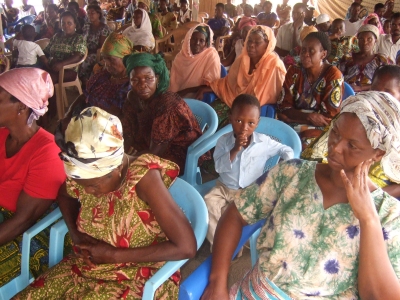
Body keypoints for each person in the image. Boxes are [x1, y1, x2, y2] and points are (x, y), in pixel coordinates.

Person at [202, 91, 400, 299]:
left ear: (378, 154)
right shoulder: (292, 174)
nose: (335, 148)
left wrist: (368, 220)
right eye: (335, 133)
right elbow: (235, 213)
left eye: (352, 145)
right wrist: (217, 282)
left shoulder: (387, 214)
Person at [15, 106, 196, 299]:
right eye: (81, 185)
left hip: (140, 273)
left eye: (93, 186)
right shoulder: (86, 174)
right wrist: (77, 236)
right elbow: (65, 194)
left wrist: (114, 256)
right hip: (89, 266)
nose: (86, 192)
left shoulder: (144, 179)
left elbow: (186, 247)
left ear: (116, 168)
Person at [0, 68, 66, 287]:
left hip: (28, 234)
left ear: (21, 106)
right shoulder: (2, 135)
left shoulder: (46, 153)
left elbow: (23, 220)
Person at [204, 94, 294, 248]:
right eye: (239, 121)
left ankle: (237, 244)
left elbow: (286, 150)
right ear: (230, 117)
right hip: (224, 188)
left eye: (251, 123)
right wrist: (235, 149)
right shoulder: (223, 141)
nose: (244, 127)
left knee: (252, 217)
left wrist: (283, 166)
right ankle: (221, 247)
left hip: (250, 192)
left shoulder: (263, 142)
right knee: (208, 203)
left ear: (257, 123)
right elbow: (219, 167)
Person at [302, 65, 400, 198]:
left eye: (387, 92)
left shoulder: (395, 132)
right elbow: (315, 156)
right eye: (374, 89)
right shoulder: (353, 115)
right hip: (334, 179)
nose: (377, 96)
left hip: (370, 192)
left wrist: (372, 197)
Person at [122, 53, 204, 174]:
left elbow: (155, 152)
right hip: (149, 143)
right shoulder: (133, 98)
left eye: (148, 78)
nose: (142, 85)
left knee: (134, 173)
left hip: (178, 152)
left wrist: (125, 161)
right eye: (135, 80)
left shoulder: (168, 104)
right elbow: (127, 132)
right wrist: (119, 153)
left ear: (157, 79)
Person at [195, 26, 286, 127]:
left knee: (224, 129)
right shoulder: (242, 60)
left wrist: (242, 108)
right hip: (231, 101)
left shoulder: (274, 66)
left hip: (251, 111)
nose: (251, 45)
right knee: (204, 120)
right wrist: (207, 88)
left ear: (267, 45)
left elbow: (271, 97)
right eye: (249, 41)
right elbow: (228, 84)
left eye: (257, 42)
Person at [277, 32, 343, 148]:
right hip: (293, 123)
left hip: (321, 129)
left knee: (305, 143)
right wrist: (308, 117)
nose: (305, 54)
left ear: (323, 54)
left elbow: (328, 117)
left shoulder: (333, 75)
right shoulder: (294, 71)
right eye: (303, 50)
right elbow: (284, 108)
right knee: (274, 141)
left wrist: (293, 115)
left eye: (311, 51)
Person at [68, 32, 133, 120]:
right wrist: (67, 115)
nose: (107, 64)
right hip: (84, 120)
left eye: (111, 59)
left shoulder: (131, 85)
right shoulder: (102, 75)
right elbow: (84, 96)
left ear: (125, 59)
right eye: (104, 59)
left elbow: (117, 117)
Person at [169, 24, 221, 98]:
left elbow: (212, 85)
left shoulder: (211, 56)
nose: (197, 43)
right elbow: (173, 83)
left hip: (196, 94)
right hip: (177, 95)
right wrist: (175, 95)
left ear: (206, 43)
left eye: (201, 40)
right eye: (194, 39)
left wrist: (184, 92)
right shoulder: (181, 56)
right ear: (189, 39)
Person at [340, 25, 389, 92]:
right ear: (357, 40)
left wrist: (361, 88)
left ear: (376, 40)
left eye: (369, 39)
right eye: (361, 39)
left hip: (370, 97)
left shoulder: (380, 60)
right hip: (347, 94)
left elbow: (385, 83)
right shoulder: (347, 58)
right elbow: (339, 79)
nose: (365, 43)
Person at [43, 11, 87, 85]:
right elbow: (46, 52)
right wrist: (44, 60)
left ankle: (53, 96)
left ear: (75, 24)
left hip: (68, 70)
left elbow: (77, 56)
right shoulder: (57, 36)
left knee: (47, 80)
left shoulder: (78, 38)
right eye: (63, 23)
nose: (66, 26)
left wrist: (62, 64)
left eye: (69, 23)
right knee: (36, 75)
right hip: (52, 66)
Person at [78, 4, 111, 85]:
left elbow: (101, 47)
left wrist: (87, 52)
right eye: (88, 13)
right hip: (86, 51)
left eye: (92, 13)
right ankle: (82, 81)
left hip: (97, 53)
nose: (90, 15)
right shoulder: (86, 26)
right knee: (76, 58)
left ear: (98, 14)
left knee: (85, 61)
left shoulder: (104, 28)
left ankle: (86, 82)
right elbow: (82, 40)